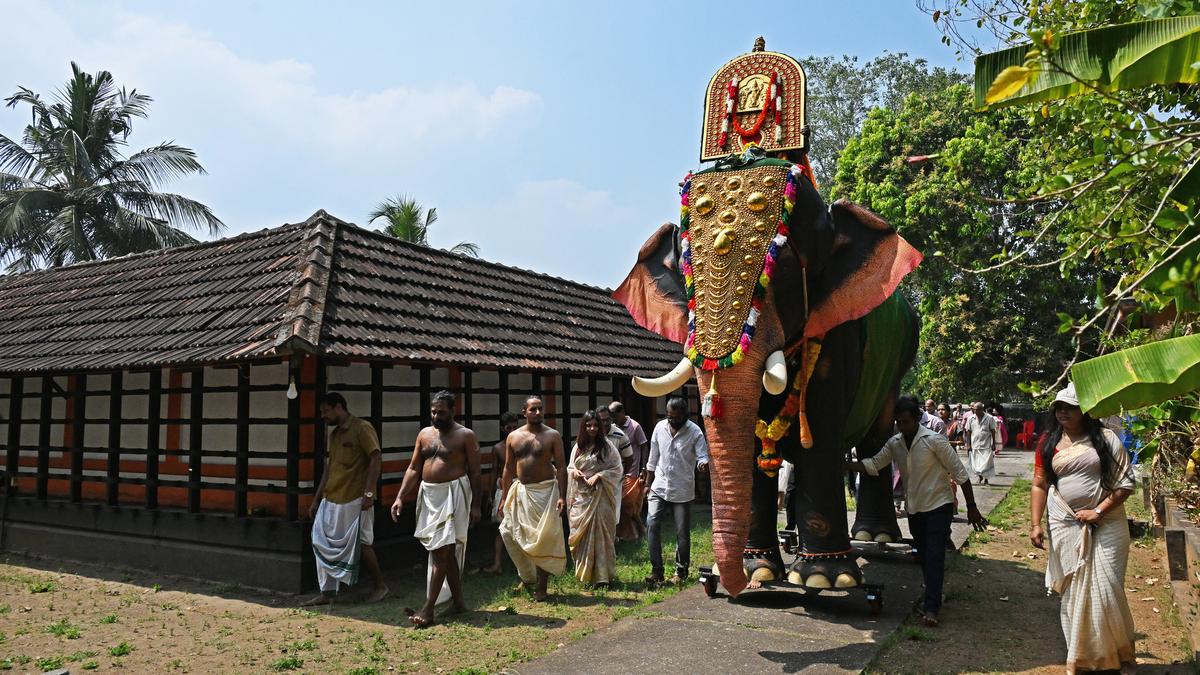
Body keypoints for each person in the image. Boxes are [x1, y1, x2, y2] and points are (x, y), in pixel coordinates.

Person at [848, 396, 987, 627]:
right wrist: (841, 465)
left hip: (938, 507)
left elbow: (961, 475)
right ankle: (934, 591)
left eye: (906, 422)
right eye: (898, 423)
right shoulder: (895, 443)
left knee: (934, 555)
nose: (902, 427)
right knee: (924, 555)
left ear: (916, 419)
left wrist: (971, 508)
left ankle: (932, 607)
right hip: (915, 509)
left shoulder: (935, 441)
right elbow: (873, 464)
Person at [1030, 383, 1136, 674]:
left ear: (1085, 410)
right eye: (1058, 407)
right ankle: (1082, 658)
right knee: (1074, 589)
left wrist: (1098, 511)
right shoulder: (1048, 443)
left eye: (1070, 406)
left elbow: (1125, 484)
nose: (1063, 412)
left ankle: (1116, 655)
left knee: (1108, 587)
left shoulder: (1105, 439)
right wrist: (1035, 524)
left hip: (1108, 522)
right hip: (1064, 522)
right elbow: (1039, 484)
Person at [390, 390, 481, 628]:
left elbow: (475, 472)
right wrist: (400, 496)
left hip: (454, 495)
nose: (435, 415)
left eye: (441, 411)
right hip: (429, 495)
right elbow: (413, 468)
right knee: (445, 552)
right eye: (433, 411)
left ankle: (428, 609)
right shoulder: (424, 434)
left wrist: (477, 506)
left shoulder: (465, 436)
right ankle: (459, 603)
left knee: (442, 551)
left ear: (453, 410)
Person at [304, 393, 389, 606]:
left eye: (326, 411)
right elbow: (328, 468)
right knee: (321, 541)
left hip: (355, 498)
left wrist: (369, 493)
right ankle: (328, 592)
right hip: (331, 497)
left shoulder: (362, 428)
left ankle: (380, 586)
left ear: (339, 407)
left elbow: (376, 457)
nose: (323, 416)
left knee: (362, 542)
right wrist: (316, 499)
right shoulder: (333, 436)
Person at [498, 396, 568, 601]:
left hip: (545, 492)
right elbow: (508, 468)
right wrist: (503, 498)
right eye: (533, 409)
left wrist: (563, 496)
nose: (537, 413)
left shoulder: (552, 436)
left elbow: (562, 466)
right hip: (520, 491)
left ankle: (542, 586)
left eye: (540, 409)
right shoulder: (514, 437)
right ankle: (528, 576)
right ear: (524, 412)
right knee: (508, 532)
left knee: (542, 538)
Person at [643, 396, 709, 586]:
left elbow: (702, 456)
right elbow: (652, 458)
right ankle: (657, 571)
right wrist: (648, 483)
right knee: (652, 523)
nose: (672, 421)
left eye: (676, 417)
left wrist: (703, 464)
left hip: (682, 489)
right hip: (659, 485)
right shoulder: (659, 427)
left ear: (684, 416)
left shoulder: (694, 432)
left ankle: (681, 571)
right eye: (669, 417)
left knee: (682, 532)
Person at [566, 410, 623, 586]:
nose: (592, 428)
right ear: (584, 427)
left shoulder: (607, 447)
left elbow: (617, 469)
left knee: (602, 537)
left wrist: (600, 476)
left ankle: (602, 577)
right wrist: (574, 472)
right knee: (580, 536)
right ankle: (585, 576)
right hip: (581, 499)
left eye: (595, 425)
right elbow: (569, 468)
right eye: (589, 425)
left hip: (601, 499)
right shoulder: (578, 447)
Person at [482, 411, 521, 575]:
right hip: (503, 488)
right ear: (502, 428)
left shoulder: (523, 444)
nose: (512, 430)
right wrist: (490, 494)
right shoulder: (498, 448)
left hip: (520, 487)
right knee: (501, 528)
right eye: (508, 427)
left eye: (514, 427)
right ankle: (497, 564)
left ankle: (523, 566)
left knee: (522, 526)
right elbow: (494, 471)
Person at [609, 401, 650, 541]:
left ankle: (641, 530)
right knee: (619, 506)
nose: (612, 419)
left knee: (628, 506)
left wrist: (644, 468)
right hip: (617, 473)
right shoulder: (613, 428)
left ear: (622, 413)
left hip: (631, 472)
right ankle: (628, 534)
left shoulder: (635, 426)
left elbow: (644, 446)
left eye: (614, 415)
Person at [964, 401, 1001, 485]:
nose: (975, 411)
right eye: (974, 410)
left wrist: (993, 443)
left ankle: (986, 479)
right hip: (975, 445)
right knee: (976, 464)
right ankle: (980, 477)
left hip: (986, 445)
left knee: (986, 464)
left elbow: (993, 431)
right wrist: (968, 444)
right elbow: (968, 432)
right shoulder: (971, 419)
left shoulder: (989, 418)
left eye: (977, 410)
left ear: (982, 409)